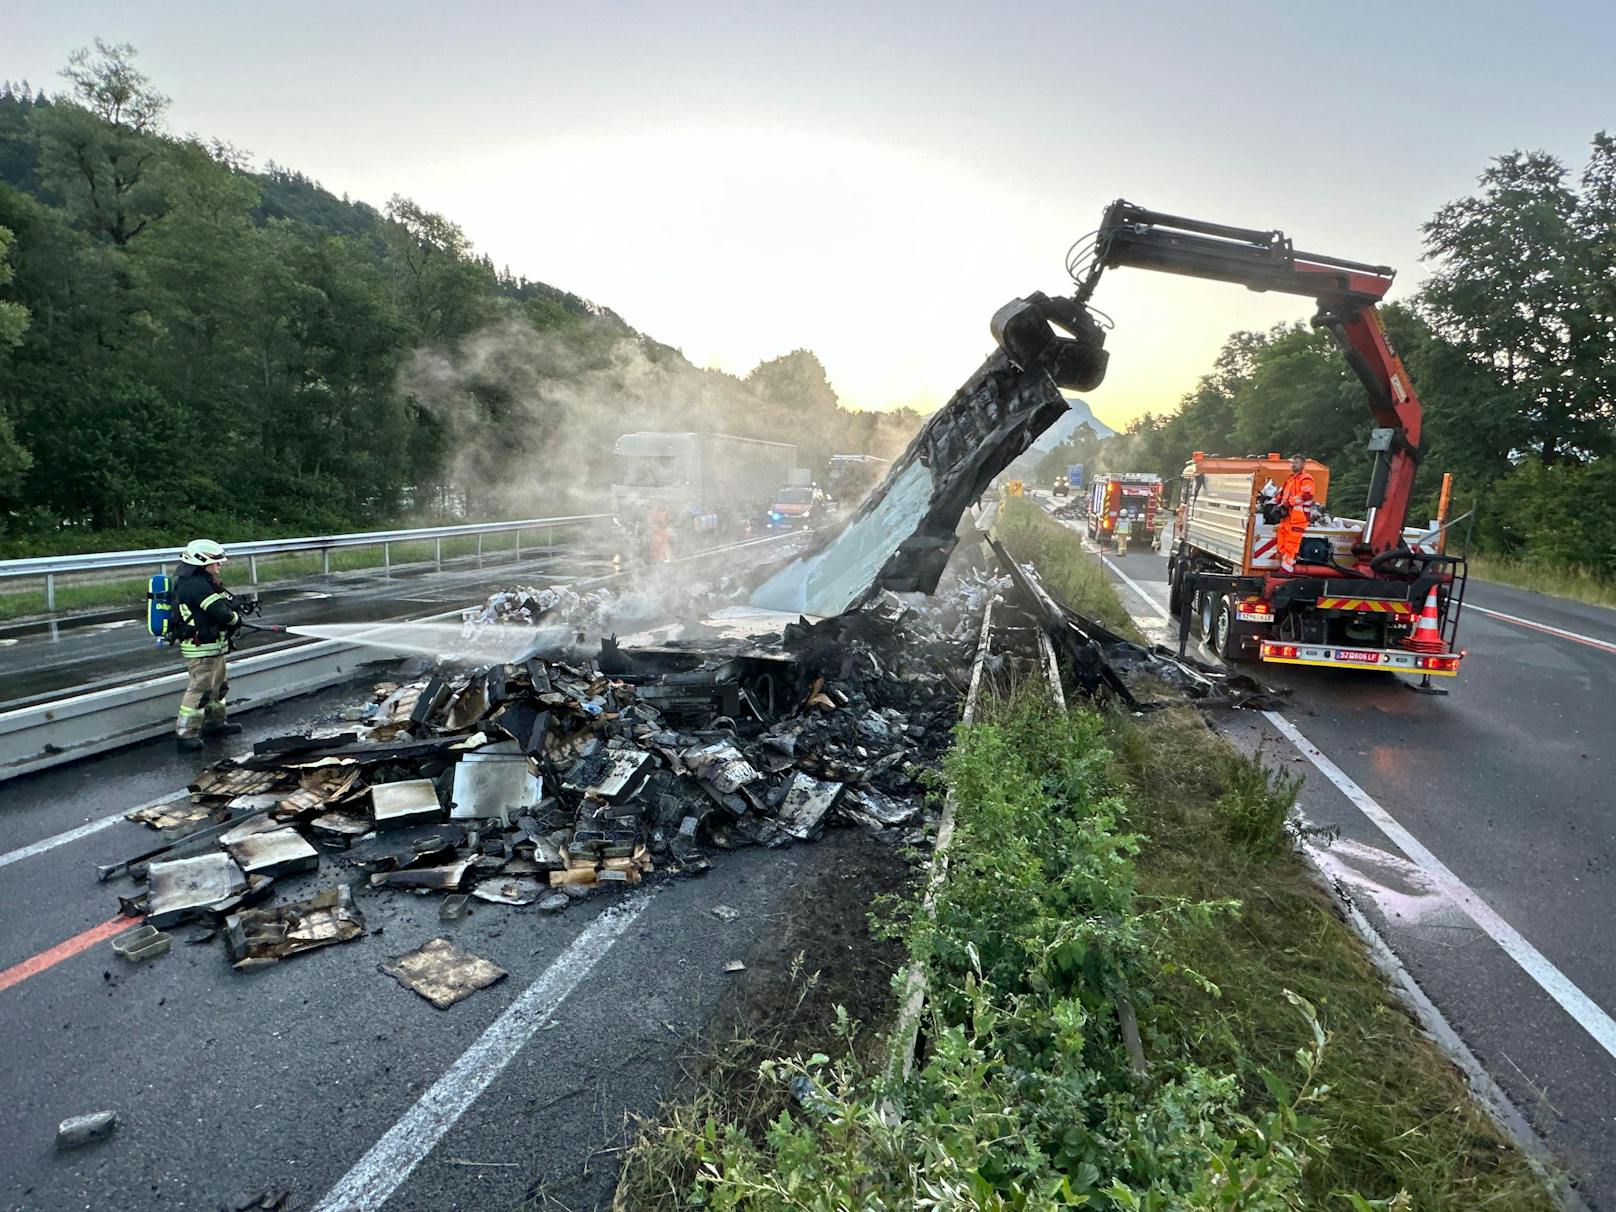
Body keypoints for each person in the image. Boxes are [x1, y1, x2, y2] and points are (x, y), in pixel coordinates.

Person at [172, 539, 244, 752]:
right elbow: (219, 612)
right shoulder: (194, 585)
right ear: (201, 562)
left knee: (219, 686)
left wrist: (236, 605)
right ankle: (186, 735)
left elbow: (224, 602)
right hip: (201, 648)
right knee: (200, 690)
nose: (219, 566)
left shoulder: (205, 582)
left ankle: (215, 724)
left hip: (214, 646)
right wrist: (235, 619)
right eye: (217, 562)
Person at [1274, 455, 1317, 572]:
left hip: (1299, 519)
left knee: (1291, 546)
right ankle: (1285, 568)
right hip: (1287, 518)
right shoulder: (1291, 479)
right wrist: (1278, 501)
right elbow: (1283, 495)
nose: (1293, 465)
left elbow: (1306, 495)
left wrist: (1288, 503)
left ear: (1303, 464)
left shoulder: (1306, 478)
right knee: (1282, 545)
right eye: (1292, 462)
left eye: (1296, 463)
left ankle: (1286, 571)